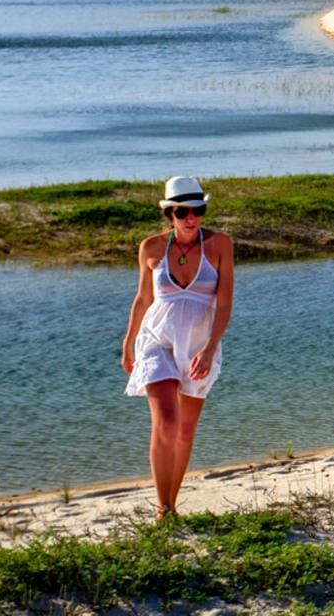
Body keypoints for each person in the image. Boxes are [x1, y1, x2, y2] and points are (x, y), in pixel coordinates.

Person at [120, 175, 232, 519]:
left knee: (184, 430)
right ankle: (162, 508)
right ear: (170, 213)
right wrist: (128, 342)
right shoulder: (151, 248)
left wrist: (210, 348)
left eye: (198, 210)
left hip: (199, 346)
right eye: (182, 212)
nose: (191, 218)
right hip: (157, 341)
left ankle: (172, 504)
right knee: (167, 423)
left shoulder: (219, 244)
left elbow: (225, 303)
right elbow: (143, 298)